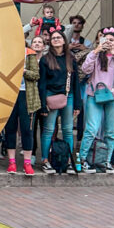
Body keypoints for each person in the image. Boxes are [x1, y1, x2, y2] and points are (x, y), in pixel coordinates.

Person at [79, 27, 114, 174]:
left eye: (112, 40)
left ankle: (106, 161)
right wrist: (96, 51)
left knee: (110, 132)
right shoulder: (95, 57)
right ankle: (82, 160)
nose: (109, 43)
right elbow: (85, 69)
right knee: (91, 129)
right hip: (95, 95)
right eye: (106, 40)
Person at [38, 28, 82, 173]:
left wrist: (77, 103)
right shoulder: (45, 59)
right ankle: (45, 160)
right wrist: (43, 105)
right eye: (53, 38)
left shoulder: (70, 59)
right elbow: (42, 83)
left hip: (68, 95)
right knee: (49, 129)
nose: (56, 39)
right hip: (50, 96)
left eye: (59, 37)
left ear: (64, 40)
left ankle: (68, 161)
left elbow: (75, 82)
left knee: (68, 130)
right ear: (50, 42)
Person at [4, 44, 39, 175]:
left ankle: (27, 163)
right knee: (10, 128)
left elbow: (36, 75)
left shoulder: (30, 53)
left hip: (26, 95)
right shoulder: (7, 54)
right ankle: (12, 162)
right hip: (10, 94)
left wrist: (25, 72)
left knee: (27, 129)